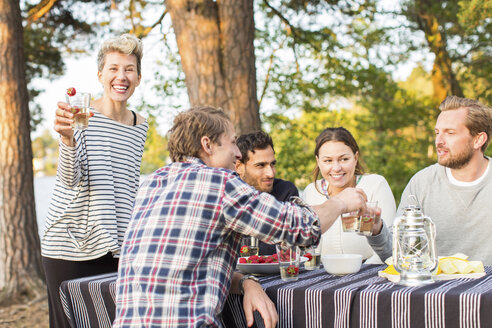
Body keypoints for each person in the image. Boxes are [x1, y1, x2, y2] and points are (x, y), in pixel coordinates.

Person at [113, 106, 367, 328]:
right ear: (207, 145)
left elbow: (187, 266)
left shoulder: (153, 183)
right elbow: (301, 227)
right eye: (232, 142)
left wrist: (247, 282)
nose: (238, 153)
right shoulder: (220, 183)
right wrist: (341, 201)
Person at [41, 34, 148, 328]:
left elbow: (128, 189)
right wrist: (67, 139)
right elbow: (69, 178)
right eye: (113, 68)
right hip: (69, 244)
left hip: (117, 247)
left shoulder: (141, 125)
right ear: (101, 75)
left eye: (128, 69)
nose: (121, 76)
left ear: (138, 77)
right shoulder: (81, 115)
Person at [368, 96, 492, 265]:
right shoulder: (421, 183)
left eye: (450, 133)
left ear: (478, 139)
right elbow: (396, 255)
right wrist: (376, 230)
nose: (438, 141)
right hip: (435, 289)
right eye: (437, 132)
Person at [302, 127, 396, 263]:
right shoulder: (311, 192)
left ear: (355, 158)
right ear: (318, 161)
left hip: (370, 274)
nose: (336, 168)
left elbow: (393, 248)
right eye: (328, 161)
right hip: (323, 275)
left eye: (344, 159)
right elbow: (305, 249)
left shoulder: (376, 185)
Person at [235, 130, 299, 255]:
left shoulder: (286, 191)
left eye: (272, 164)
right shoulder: (228, 195)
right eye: (260, 165)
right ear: (239, 167)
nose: (271, 173)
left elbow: (288, 247)